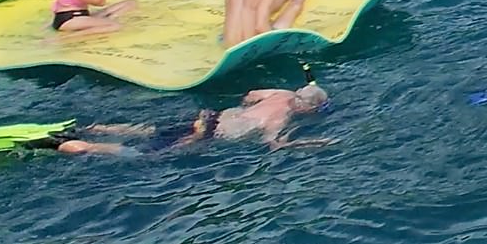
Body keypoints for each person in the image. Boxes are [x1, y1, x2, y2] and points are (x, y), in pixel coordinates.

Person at [56, 84, 330, 155]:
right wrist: (309, 143)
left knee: (149, 130)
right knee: (144, 154)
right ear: (307, 108)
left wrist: (246, 106)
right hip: (208, 134)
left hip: (210, 117)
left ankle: (96, 128)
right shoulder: (281, 117)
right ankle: (84, 146)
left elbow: (249, 95)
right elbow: (272, 144)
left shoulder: (280, 93)